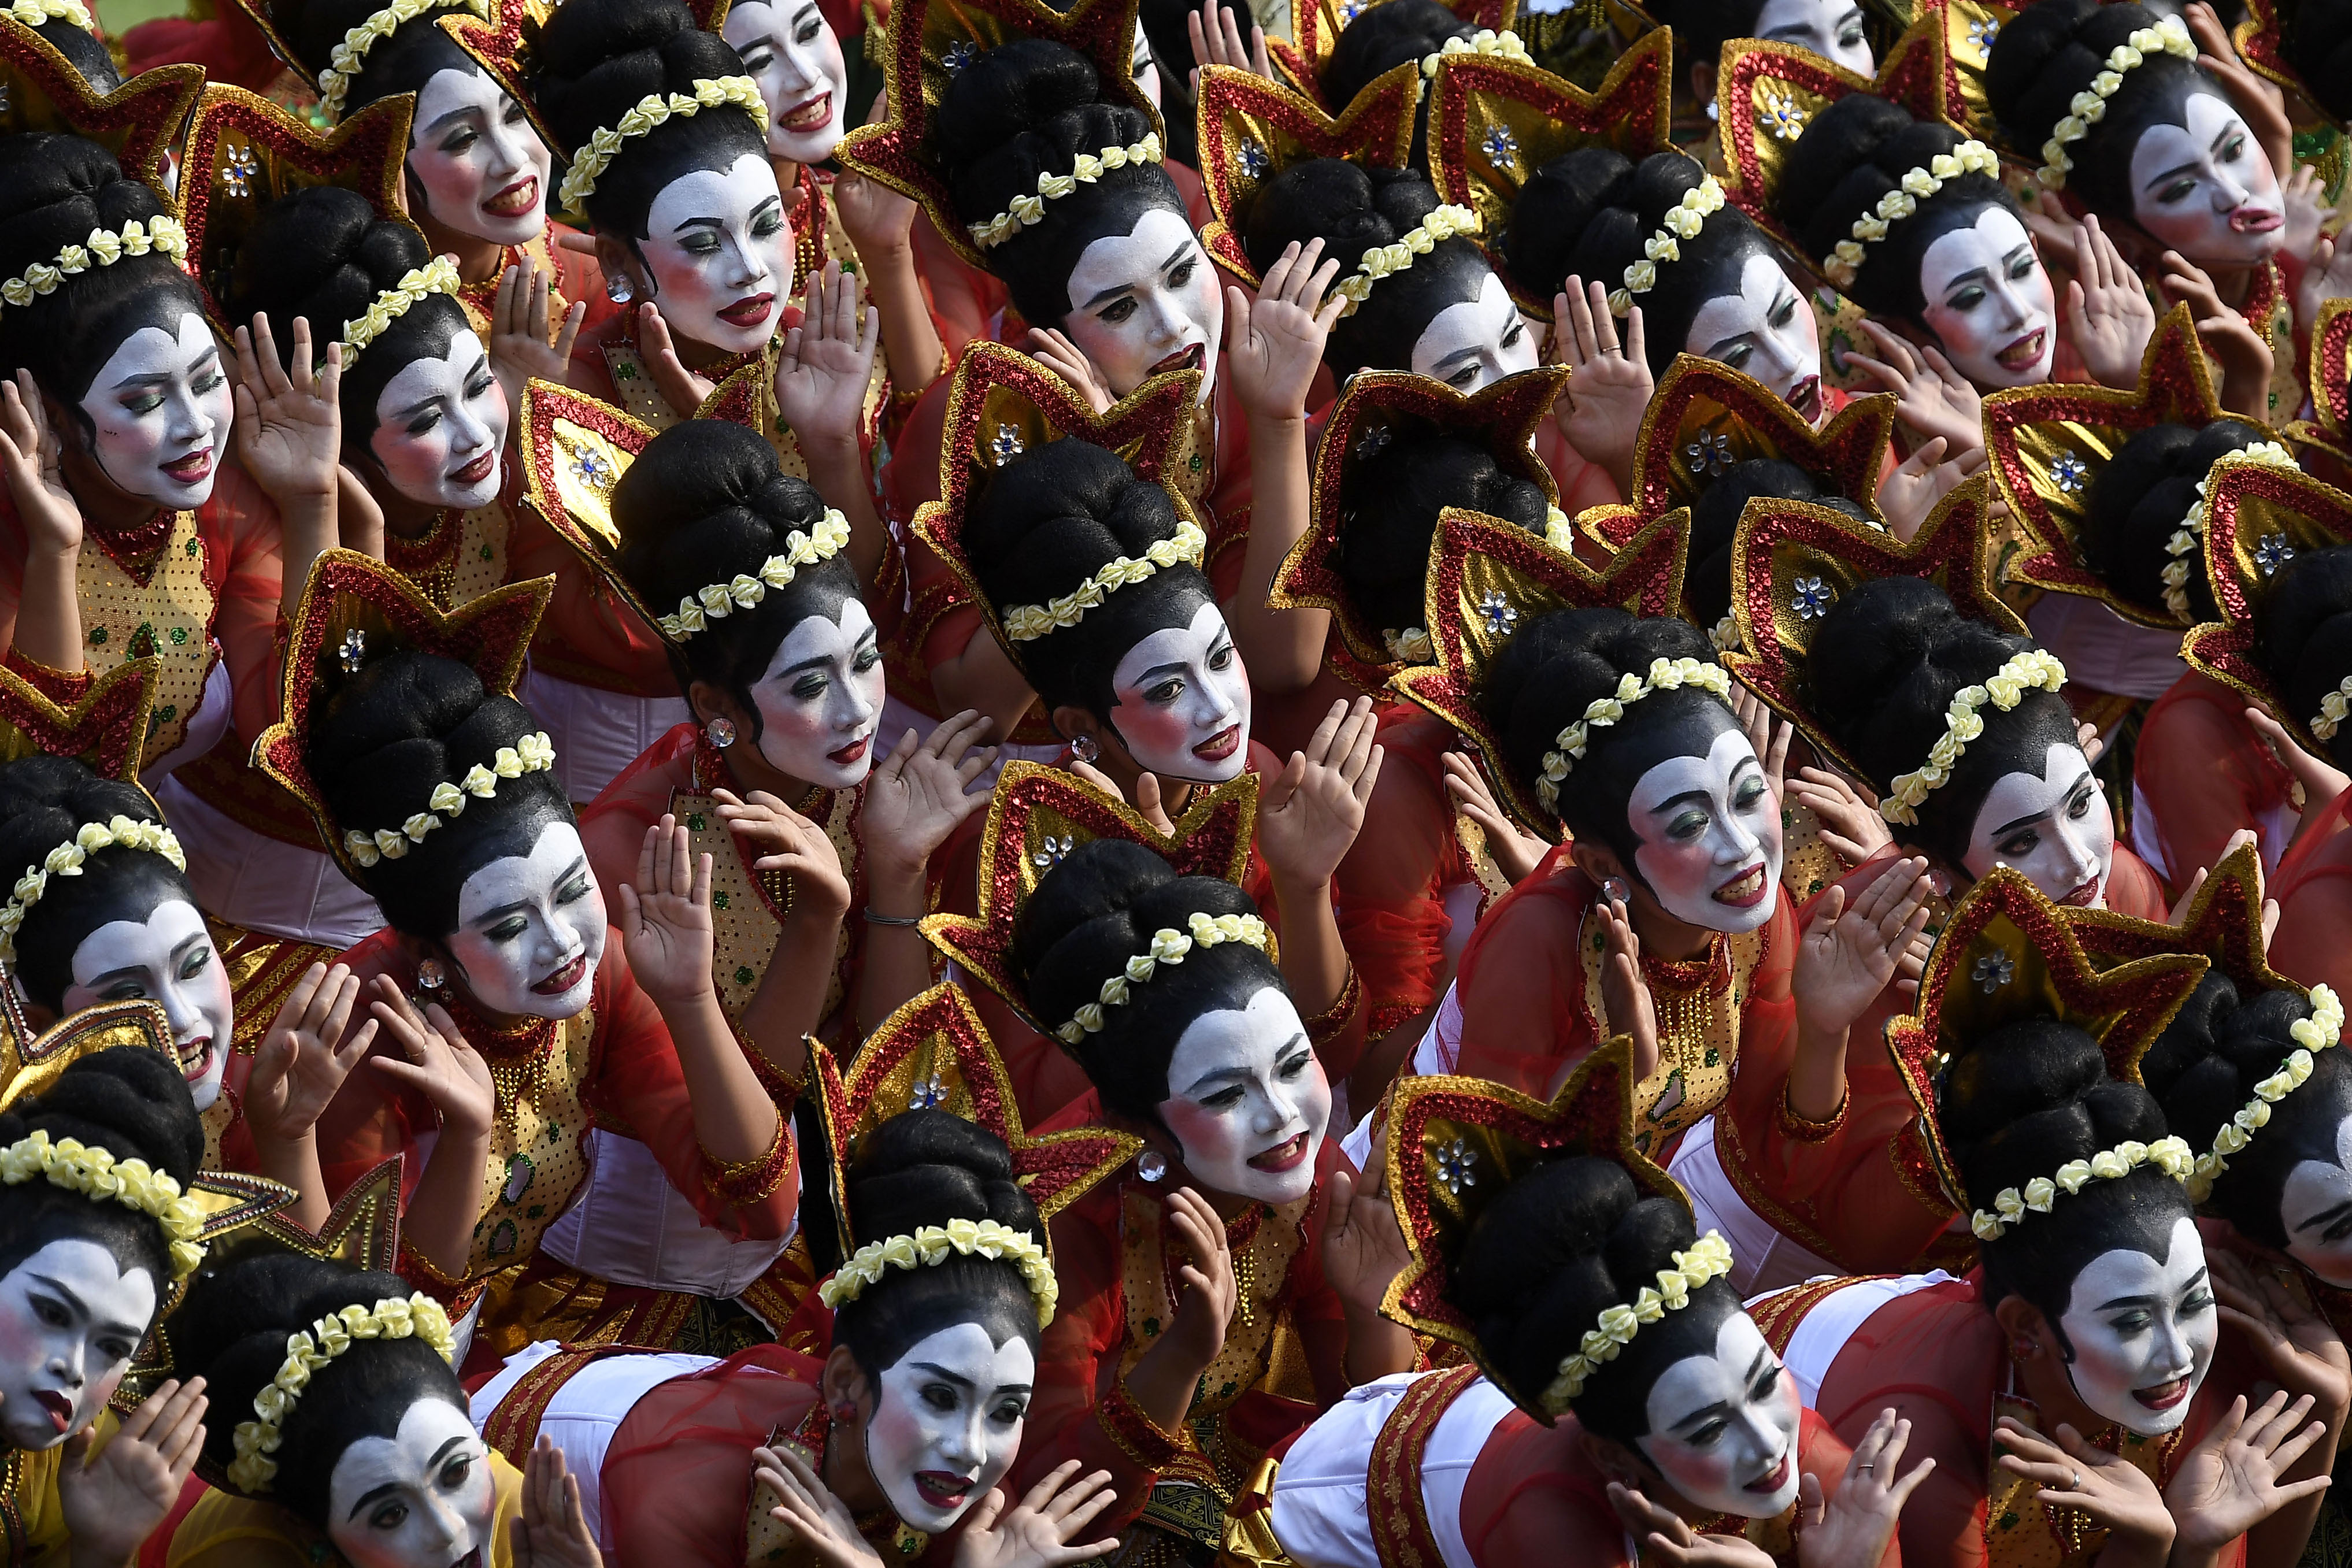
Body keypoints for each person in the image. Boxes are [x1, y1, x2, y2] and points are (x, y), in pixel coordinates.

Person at [260, 553, 801, 1369]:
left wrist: (691, 1001)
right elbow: (364, 1339)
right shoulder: (362, 1043)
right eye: (509, 924)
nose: (562, 941)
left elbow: (759, 1210)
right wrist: (467, 1136)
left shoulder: (600, 972)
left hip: (494, 1333)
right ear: (425, 951)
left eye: (576, 888)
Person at [1755, 872, 2350, 1568]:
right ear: (2025, 1329)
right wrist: (2158, 1547)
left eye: (2195, 1301)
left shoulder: (2199, 1335)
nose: (2178, 1353)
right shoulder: (1919, 1447)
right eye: (2130, 1320)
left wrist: (2326, 1409)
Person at [1266, 1055, 1925, 1568]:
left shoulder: (1786, 1443)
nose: (1768, 1439)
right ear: (1611, 1459)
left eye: (1763, 1378)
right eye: (1706, 1428)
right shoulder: (1553, 1526)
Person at [985, 829, 1417, 1560]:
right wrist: (1182, 1356)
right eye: (1224, 1094)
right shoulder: (1069, 1217)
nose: (1280, 1114)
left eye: (1293, 1065)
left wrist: (1373, 1306)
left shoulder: (1310, 1172)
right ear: (1135, 1126)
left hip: (1241, 1460)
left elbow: (1372, 1440)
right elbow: (1050, 1491)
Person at [164, 1251, 604, 1567]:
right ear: (304, 1527)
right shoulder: (241, 1555)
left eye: (455, 1473)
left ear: (470, 1422)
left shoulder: (519, 1520)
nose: (449, 1529)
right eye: (390, 1514)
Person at [0, 1044, 224, 1567]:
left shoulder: (84, 1468)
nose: (74, 1367)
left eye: (112, 1346)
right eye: (53, 1313)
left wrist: (102, 1551)